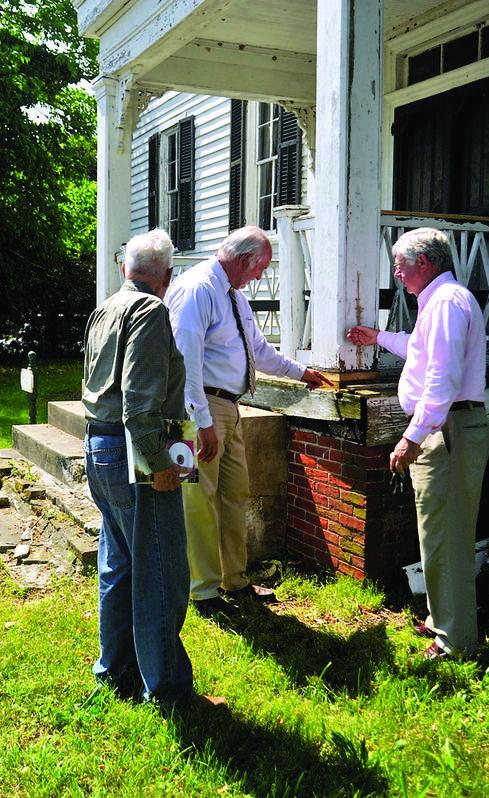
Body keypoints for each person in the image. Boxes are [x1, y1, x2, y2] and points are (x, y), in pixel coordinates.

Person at [165, 226, 332, 618]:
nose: (259, 276)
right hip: (198, 407)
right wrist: (201, 421)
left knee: (234, 493)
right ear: (243, 260)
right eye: (259, 269)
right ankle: (203, 591)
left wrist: (301, 372)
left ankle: (234, 580)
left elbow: (257, 350)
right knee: (198, 501)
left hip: (227, 407)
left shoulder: (233, 296)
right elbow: (183, 361)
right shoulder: (198, 289)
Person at [347, 227, 489, 659]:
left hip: (446, 432)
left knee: (446, 537)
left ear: (424, 263)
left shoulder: (446, 304)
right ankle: (442, 620)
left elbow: (441, 380)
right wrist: (379, 339)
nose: (396, 272)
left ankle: (455, 641)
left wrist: (411, 438)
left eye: (401, 264)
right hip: (449, 429)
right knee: (438, 534)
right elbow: (421, 350)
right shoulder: (443, 302)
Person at [81, 228, 194, 706]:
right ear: (167, 277)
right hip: (133, 453)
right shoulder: (149, 311)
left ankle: (116, 671)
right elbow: (138, 404)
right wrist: (158, 463)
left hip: (99, 447)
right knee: (161, 572)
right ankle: (166, 689)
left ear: (125, 269)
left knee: (119, 565)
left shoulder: (105, 308)